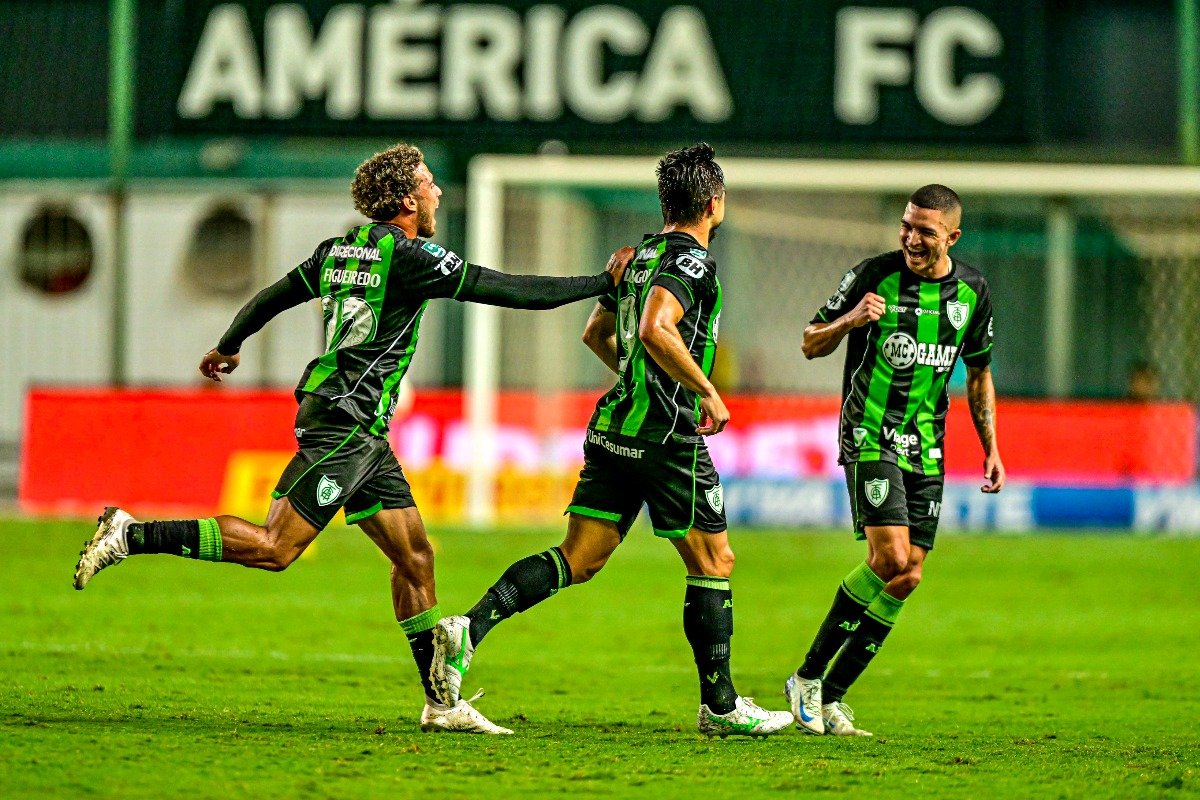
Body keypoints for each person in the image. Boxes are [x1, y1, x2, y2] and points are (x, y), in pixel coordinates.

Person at [72, 143, 631, 736]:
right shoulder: (411, 257)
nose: (438, 192)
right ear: (408, 199)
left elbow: (273, 296)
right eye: (430, 183)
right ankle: (130, 534)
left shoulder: (338, 250)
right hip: (347, 422)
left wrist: (229, 344)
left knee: (415, 557)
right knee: (275, 547)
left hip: (358, 426)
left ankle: (441, 704)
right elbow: (508, 289)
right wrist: (602, 282)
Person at [429, 143, 793, 739]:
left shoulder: (636, 258)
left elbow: (596, 334)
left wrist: (640, 376)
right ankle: (721, 706)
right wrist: (704, 390)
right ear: (713, 203)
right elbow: (655, 327)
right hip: (667, 434)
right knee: (714, 560)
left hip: (614, 430)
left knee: (580, 557)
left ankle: (470, 627)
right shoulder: (692, 263)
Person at [784, 184, 1004, 736]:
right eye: (906, 226)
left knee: (909, 575)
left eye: (925, 231)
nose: (911, 238)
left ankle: (831, 698)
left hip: (926, 442)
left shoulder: (972, 291)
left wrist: (992, 447)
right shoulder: (873, 275)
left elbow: (979, 374)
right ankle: (806, 678)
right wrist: (851, 320)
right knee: (890, 556)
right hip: (870, 431)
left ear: (952, 237)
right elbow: (810, 341)